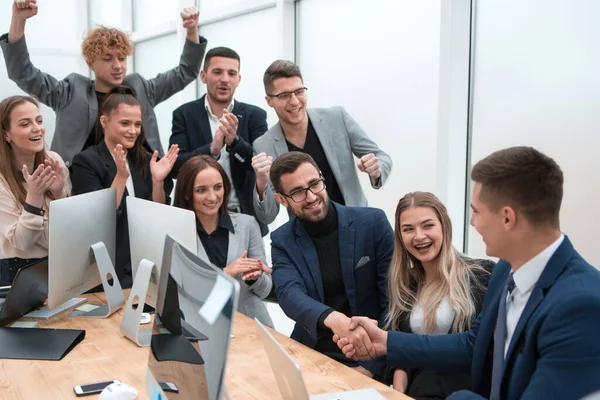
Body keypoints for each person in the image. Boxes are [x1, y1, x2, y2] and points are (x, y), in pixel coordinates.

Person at [334, 147, 600, 400]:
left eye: (476, 211)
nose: (472, 222)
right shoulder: (506, 271)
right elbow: (473, 346)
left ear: (507, 218)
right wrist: (386, 341)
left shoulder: (581, 305)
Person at [1, 0, 206, 167]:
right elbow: (22, 72)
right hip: (80, 185)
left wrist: (191, 31)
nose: (117, 66)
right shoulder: (70, 91)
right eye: (107, 59)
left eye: (122, 58)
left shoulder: (140, 88)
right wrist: (18, 21)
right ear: (90, 63)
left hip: (142, 183)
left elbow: (185, 72)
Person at [269, 151, 393, 379]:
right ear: (281, 199)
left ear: (322, 178)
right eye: (297, 192)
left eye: (314, 184)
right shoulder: (282, 240)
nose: (310, 196)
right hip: (311, 353)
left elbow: (394, 303)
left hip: (370, 354)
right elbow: (289, 293)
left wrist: (371, 367)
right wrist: (336, 319)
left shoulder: (373, 223)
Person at [251, 60, 392, 225]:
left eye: (299, 91)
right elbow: (267, 216)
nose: (295, 101)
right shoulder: (263, 145)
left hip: (357, 223)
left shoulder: (337, 118)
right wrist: (261, 185)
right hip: (309, 236)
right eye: (284, 95)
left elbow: (381, 157)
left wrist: (376, 170)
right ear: (269, 101)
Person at [386, 191, 493, 399]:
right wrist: (398, 393)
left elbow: (481, 352)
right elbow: (402, 354)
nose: (419, 236)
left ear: (444, 226)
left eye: (428, 225)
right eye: (408, 229)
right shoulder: (406, 284)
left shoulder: (483, 275)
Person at [71, 86, 178, 288]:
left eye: (137, 124)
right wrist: (120, 177)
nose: (133, 131)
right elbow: (98, 218)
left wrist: (157, 181)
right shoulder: (85, 162)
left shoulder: (144, 159)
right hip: (108, 267)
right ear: (104, 122)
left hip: (144, 263)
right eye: (125, 123)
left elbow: (158, 212)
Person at [169, 47, 269, 235]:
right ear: (203, 76)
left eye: (232, 73)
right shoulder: (184, 115)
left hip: (244, 219)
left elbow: (260, 165)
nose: (225, 79)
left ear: (238, 79)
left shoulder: (255, 116)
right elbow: (175, 167)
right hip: (196, 221)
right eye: (217, 72)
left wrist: (235, 142)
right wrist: (212, 150)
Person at [173, 155, 273, 327]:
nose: (212, 197)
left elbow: (265, 291)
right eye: (201, 190)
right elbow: (181, 293)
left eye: (218, 187)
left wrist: (254, 278)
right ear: (187, 194)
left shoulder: (247, 225)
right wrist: (225, 273)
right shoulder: (176, 233)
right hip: (202, 326)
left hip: (252, 327)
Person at [0, 95, 70, 285]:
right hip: (15, 275)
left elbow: (69, 231)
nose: (37, 128)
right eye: (25, 124)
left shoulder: (53, 160)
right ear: (6, 134)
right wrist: (35, 196)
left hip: (56, 268)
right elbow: (23, 242)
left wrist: (59, 194)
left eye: (39, 121)